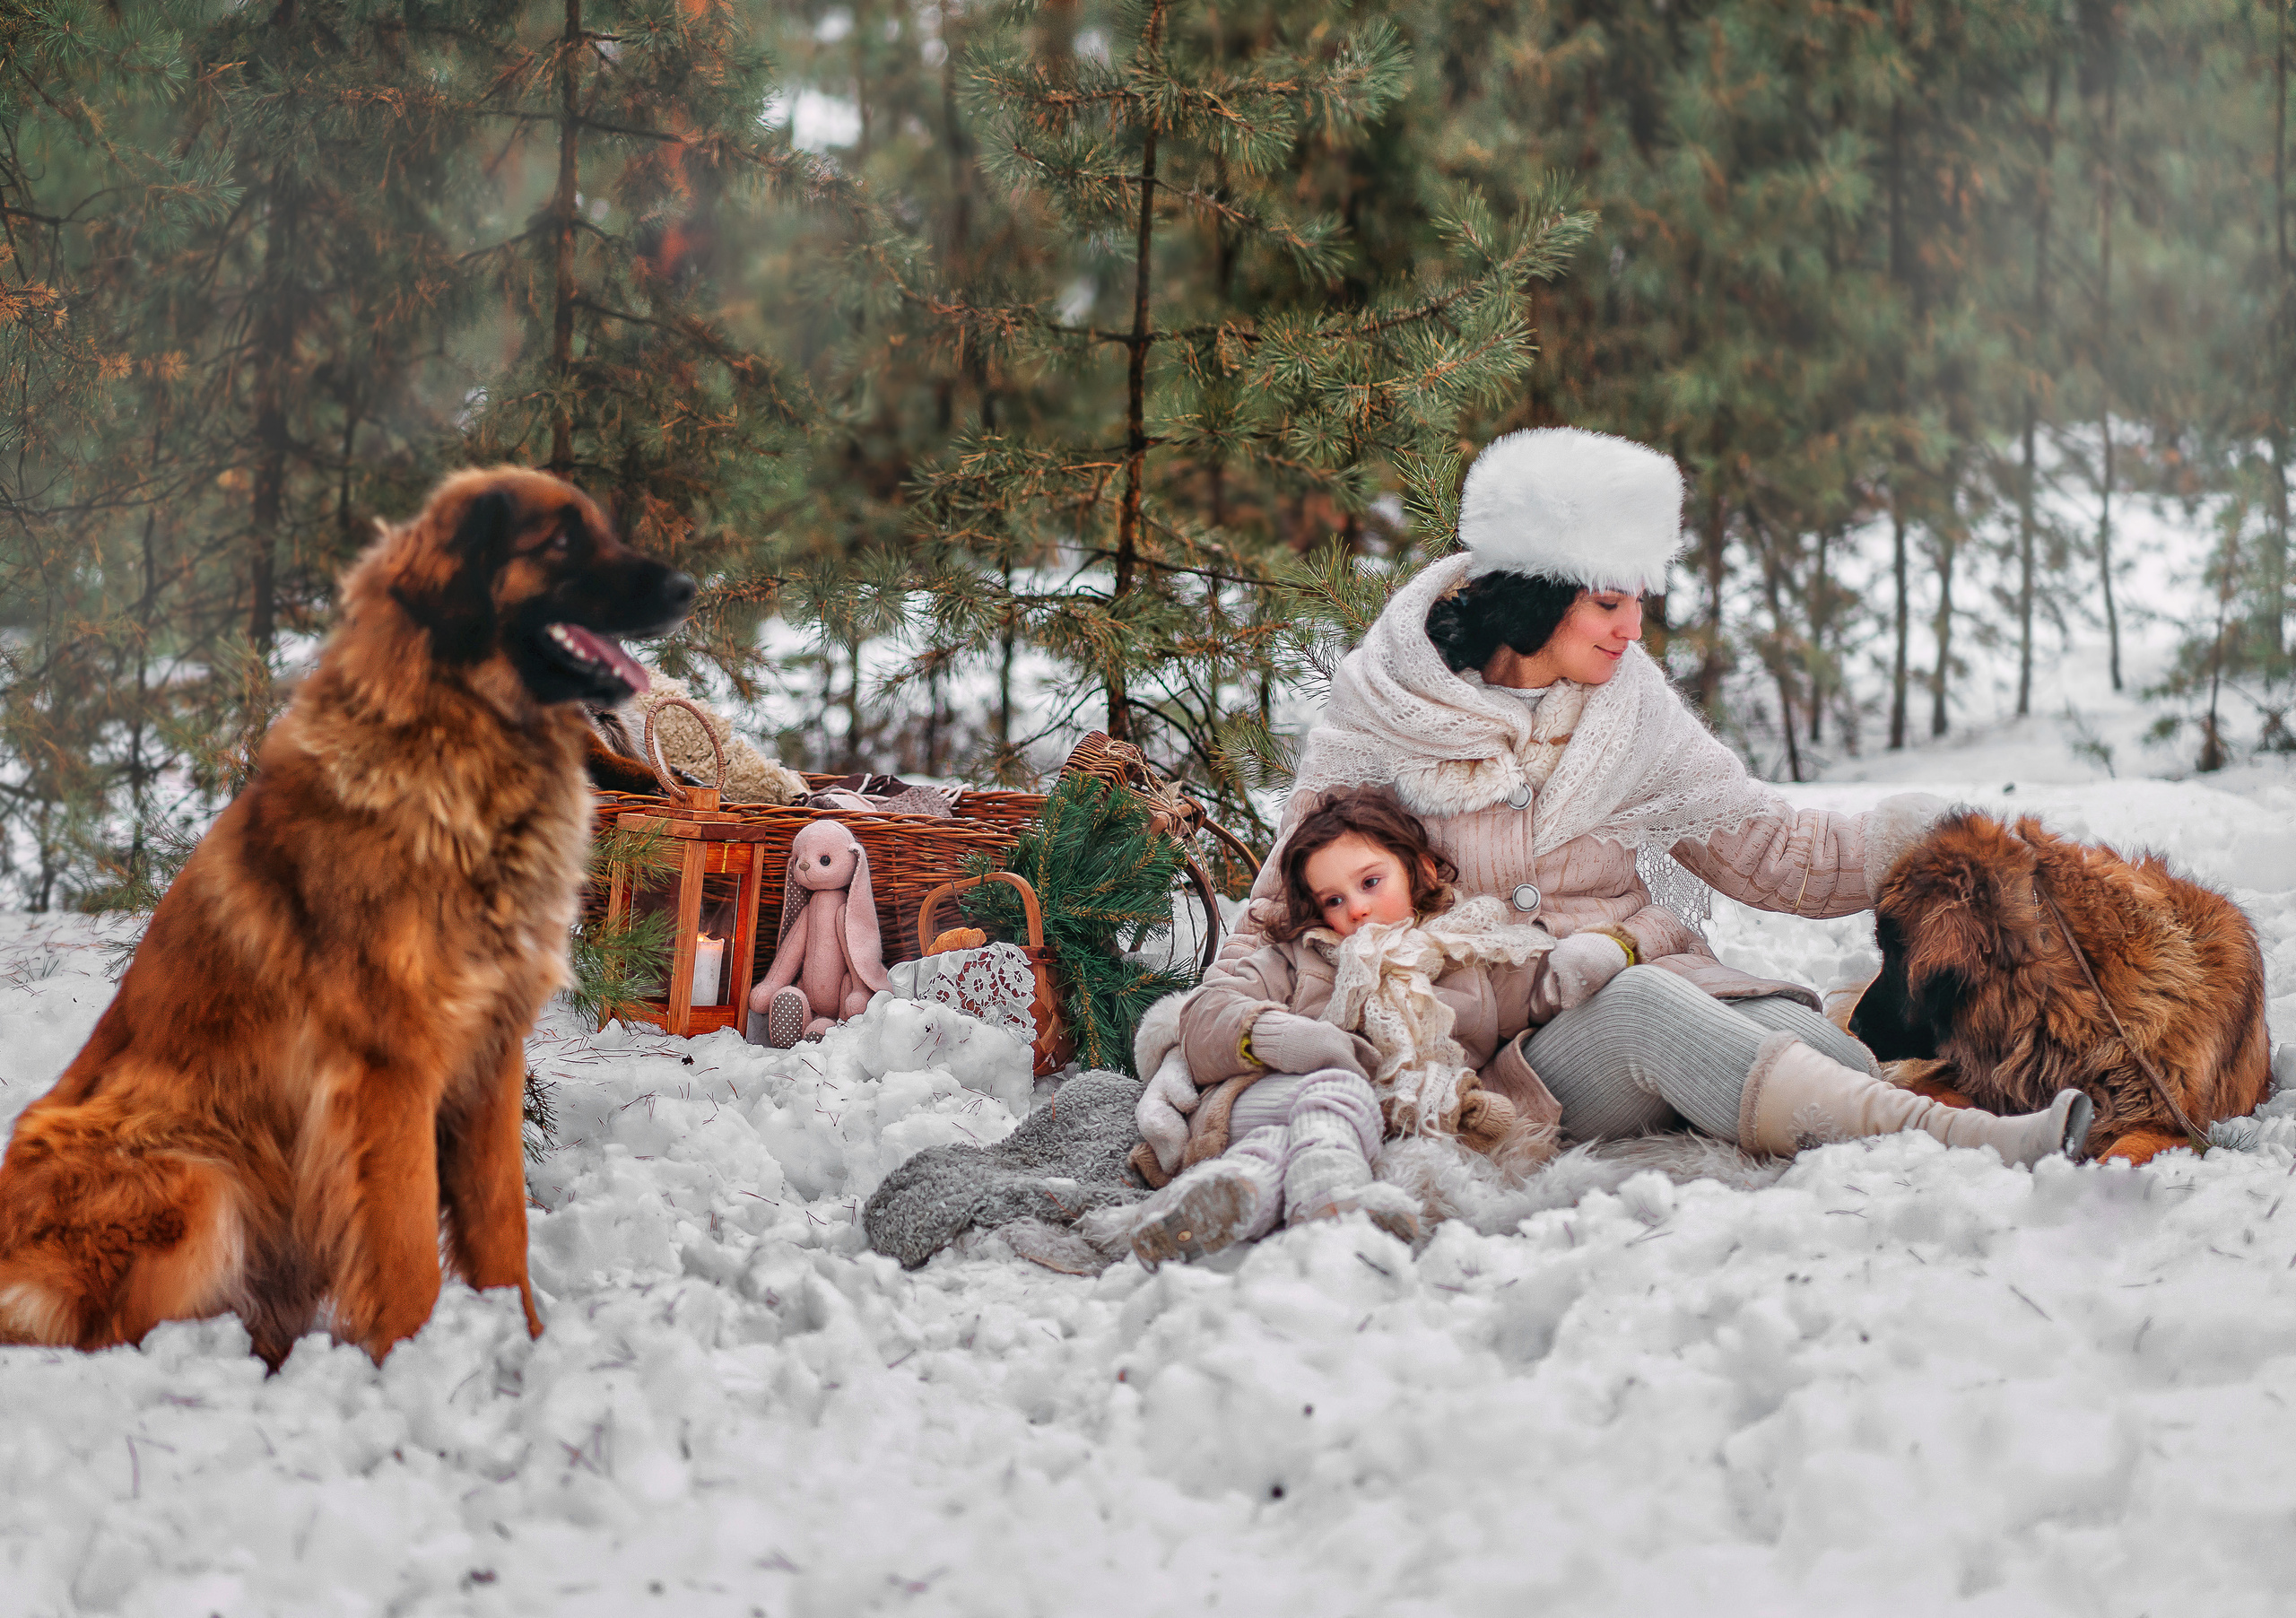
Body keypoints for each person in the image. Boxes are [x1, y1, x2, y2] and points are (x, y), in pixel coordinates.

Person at [1152, 427, 2091, 1184]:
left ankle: (1742, 1080)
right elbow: (1281, 904)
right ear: (1533, 598)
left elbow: (1772, 849)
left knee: (1823, 1059)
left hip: (1637, 970)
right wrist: (1241, 1022)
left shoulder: (1629, 709)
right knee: (1645, 1013)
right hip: (1502, 1054)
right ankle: (1971, 1145)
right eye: (1607, 601)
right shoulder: (1385, 712)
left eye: (1638, 597)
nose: (1631, 626)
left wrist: (1926, 841)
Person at [1126, 787, 1637, 1266]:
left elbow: (1548, 986)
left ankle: (1225, 1203)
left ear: (1421, 872)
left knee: (1299, 1139)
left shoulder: (1468, 960)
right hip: (1261, 1102)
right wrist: (1279, 1037)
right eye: (1332, 900)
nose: (1357, 909)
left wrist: (1610, 947)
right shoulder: (1298, 960)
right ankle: (1333, 1207)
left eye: (1370, 882)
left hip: (1359, 1122)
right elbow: (1204, 1013)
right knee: (1339, 1089)